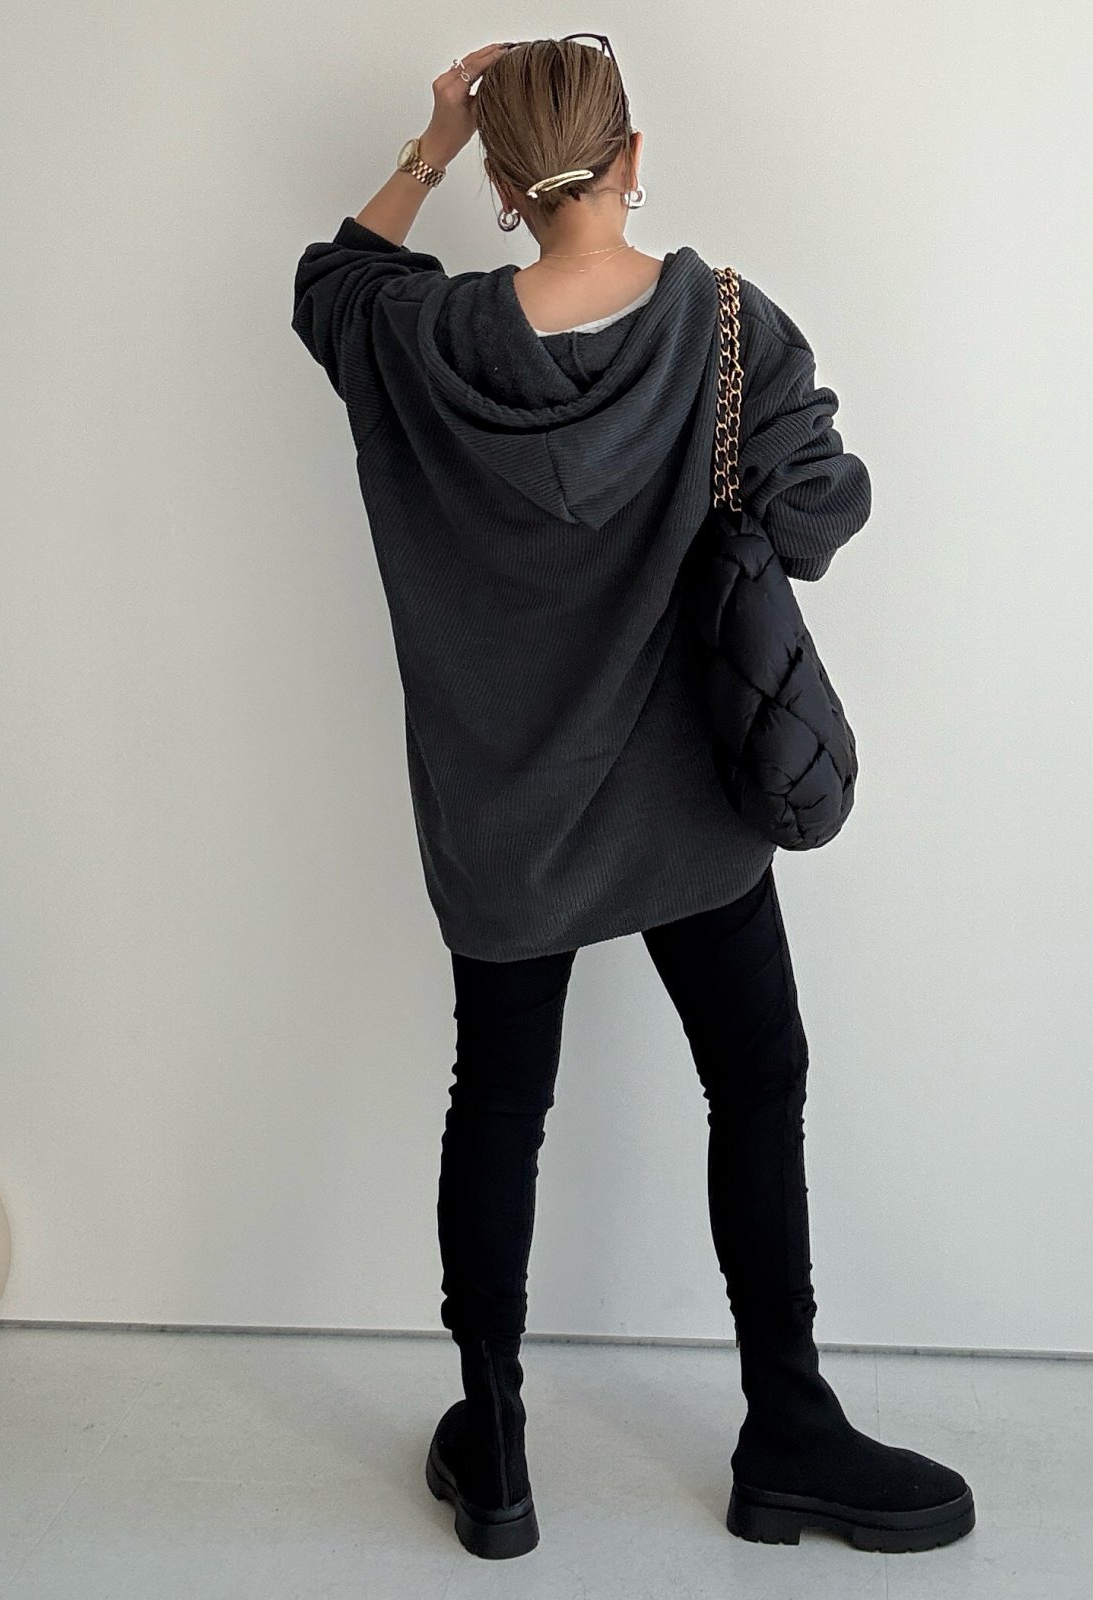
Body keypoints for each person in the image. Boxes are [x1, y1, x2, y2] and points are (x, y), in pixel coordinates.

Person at [290, 34, 974, 1561]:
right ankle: (787, 1428)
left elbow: (328, 279)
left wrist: (426, 144)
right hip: (689, 802)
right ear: (631, 156)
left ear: (502, 181)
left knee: (498, 1104)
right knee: (758, 1083)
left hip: (504, 815)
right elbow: (814, 516)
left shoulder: (417, 337)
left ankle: (496, 1453)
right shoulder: (724, 324)